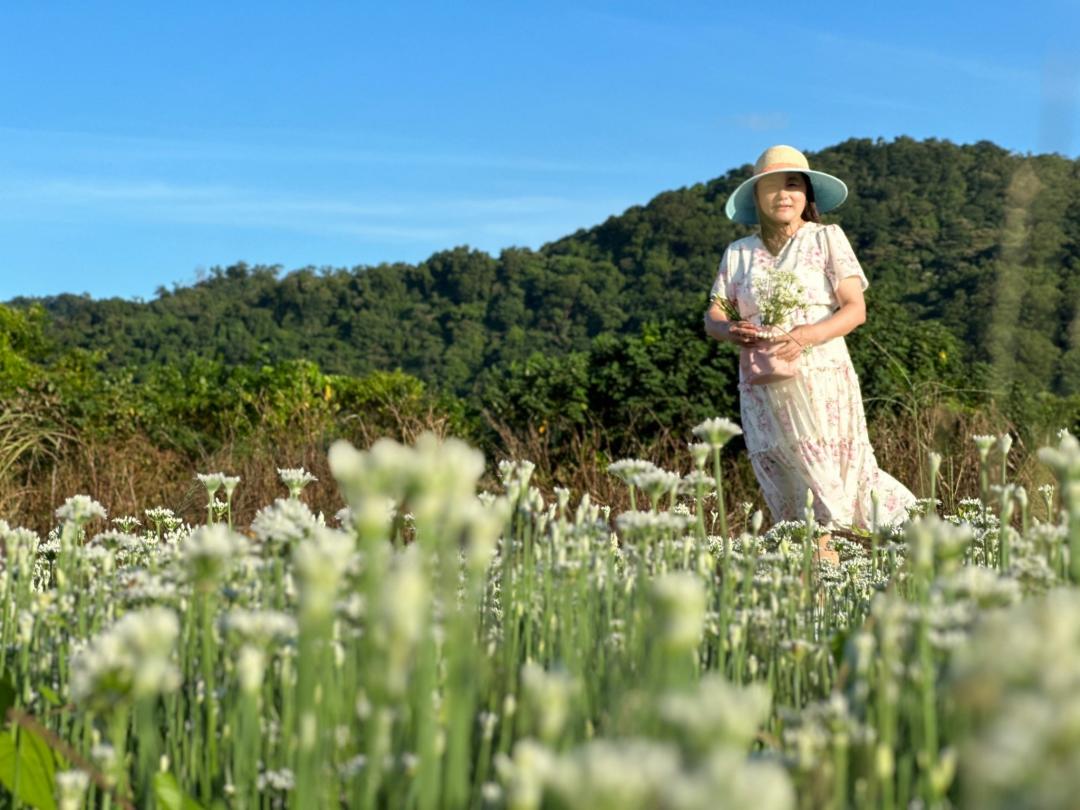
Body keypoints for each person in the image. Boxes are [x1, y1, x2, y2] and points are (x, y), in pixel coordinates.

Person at [703, 145, 916, 561]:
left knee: (836, 484)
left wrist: (806, 336)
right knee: (792, 497)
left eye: (793, 184)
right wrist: (731, 330)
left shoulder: (826, 237)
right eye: (772, 186)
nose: (783, 194)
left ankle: (908, 554)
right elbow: (712, 316)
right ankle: (825, 597)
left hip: (821, 379)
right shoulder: (739, 253)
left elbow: (856, 309)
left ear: (806, 194)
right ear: (756, 197)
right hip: (763, 388)